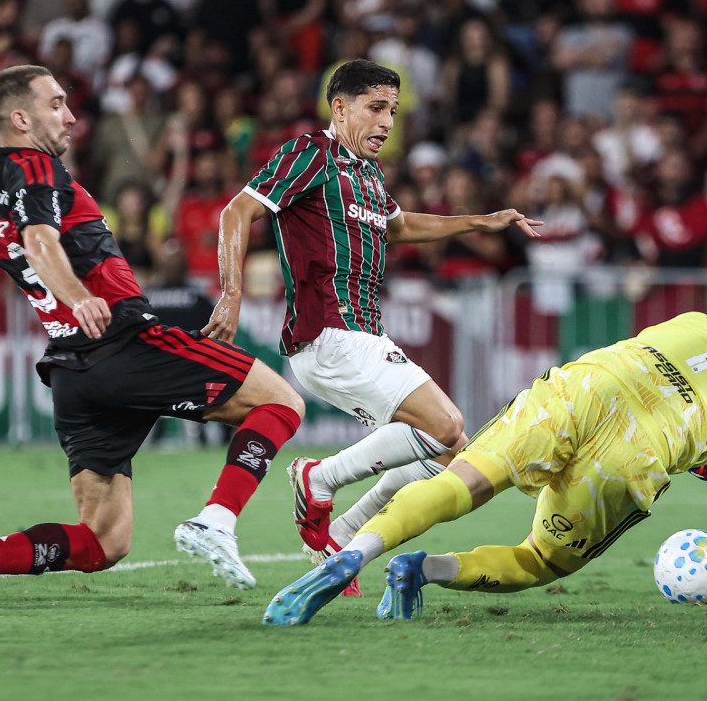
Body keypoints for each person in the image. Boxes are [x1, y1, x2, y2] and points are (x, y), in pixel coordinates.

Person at [0, 65, 306, 608]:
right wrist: (79, 296)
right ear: (20, 119)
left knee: (104, 541)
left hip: (75, 374)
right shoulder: (35, 167)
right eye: (56, 104)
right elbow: (40, 241)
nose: (70, 116)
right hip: (125, 342)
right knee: (281, 403)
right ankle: (217, 518)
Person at [262, 292, 707, 625]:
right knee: (539, 559)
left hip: (576, 392)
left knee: (464, 483)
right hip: (632, 453)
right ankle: (424, 569)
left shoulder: (688, 323)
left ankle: (354, 552)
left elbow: (693, 411)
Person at [205, 59, 540, 594]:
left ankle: (341, 533)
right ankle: (318, 477)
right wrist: (231, 293)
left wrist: (480, 220)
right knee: (446, 424)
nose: (387, 122)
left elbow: (399, 226)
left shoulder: (368, 174)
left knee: (452, 456)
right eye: (376, 108)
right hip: (328, 335)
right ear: (340, 109)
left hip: (364, 336)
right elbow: (236, 211)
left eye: (393, 111)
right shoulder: (310, 153)